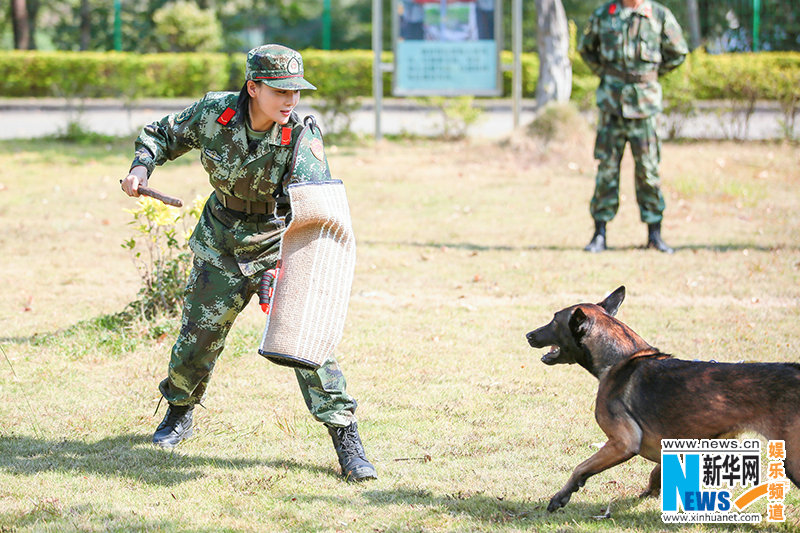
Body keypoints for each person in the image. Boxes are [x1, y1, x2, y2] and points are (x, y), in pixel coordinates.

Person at [120, 44, 377, 482]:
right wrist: (141, 168)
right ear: (253, 87)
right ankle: (179, 412)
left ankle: (346, 438)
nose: (290, 100)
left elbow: (315, 213)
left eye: (296, 91)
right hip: (220, 240)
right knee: (198, 338)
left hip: (279, 243)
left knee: (308, 342)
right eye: (280, 90)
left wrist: (284, 269)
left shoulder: (302, 137)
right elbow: (162, 133)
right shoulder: (213, 113)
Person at [578, 0, 688, 253]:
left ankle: (654, 235)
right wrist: (608, 75)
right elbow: (586, 49)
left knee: (648, 171)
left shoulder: (659, 15)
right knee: (607, 171)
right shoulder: (604, 15)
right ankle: (599, 234)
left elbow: (678, 52)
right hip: (612, 106)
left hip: (644, 108)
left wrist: (649, 76)